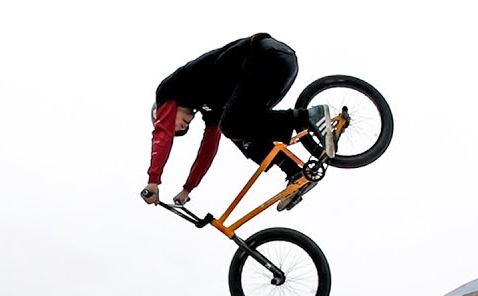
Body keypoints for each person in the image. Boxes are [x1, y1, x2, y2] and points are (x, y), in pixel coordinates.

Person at [140, 33, 334, 212]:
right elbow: (208, 150)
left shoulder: (169, 89)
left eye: (175, 127)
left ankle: (309, 116)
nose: (182, 128)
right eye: (183, 130)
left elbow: (161, 135)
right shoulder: (212, 108)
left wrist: (153, 181)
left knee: (232, 124)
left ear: (162, 112)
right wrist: (188, 189)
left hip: (264, 56)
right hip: (279, 67)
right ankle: (295, 172)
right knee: (240, 132)